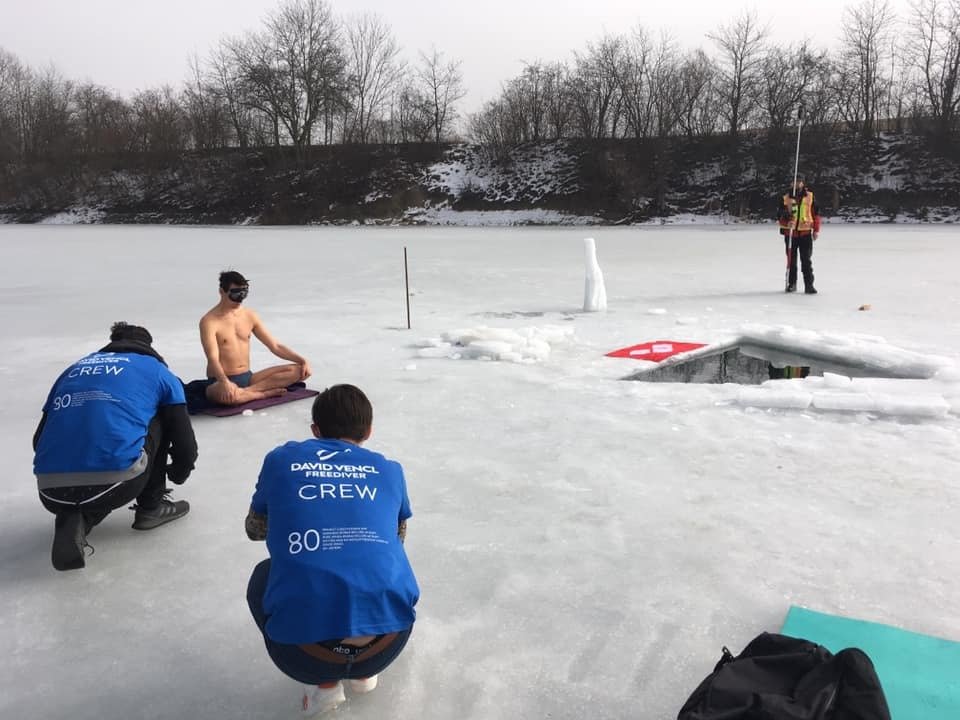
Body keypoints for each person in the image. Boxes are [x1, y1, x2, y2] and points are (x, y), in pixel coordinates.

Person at [245, 384, 418, 717]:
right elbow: (397, 538)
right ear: (368, 431)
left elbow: (254, 529)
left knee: (264, 575)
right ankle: (365, 673)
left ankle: (324, 687)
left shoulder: (281, 460)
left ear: (315, 430)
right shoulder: (389, 470)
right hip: (388, 643)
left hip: (304, 655)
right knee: (386, 563)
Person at [33, 322, 198, 571]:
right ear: (147, 347)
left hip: (49, 488)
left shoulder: (72, 371)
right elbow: (184, 440)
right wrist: (179, 471)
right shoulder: (157, 371)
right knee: (159, 416)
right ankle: (151, 507)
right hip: (117, 481)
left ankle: (79, 518)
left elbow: (39, 439)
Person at [199, 270, 312, 406]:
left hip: (248, 377)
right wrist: (224, 382)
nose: (240, 298)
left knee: (299, 370)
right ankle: (262, 394)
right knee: (230, 397)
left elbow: (274, 346)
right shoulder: (209, 321)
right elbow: (213, 359)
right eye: (235, 293)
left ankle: (247, 392)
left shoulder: (249, 315)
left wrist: (302, 360)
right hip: (219, 380)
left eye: (244, 293)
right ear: (222, 291)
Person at [777, 178, 820, 294]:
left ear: (802, 183)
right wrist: (787, 222)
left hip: (805, 233)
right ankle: (792, 283)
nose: (796, 184)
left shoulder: (810, 197)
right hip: (790, 234)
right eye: (794, 182)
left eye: (798, 181)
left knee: (806, 260)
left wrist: (816, 230)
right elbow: (779, 216)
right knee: (791, 261)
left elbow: (816, 214)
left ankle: (809, 285)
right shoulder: (785, 198)